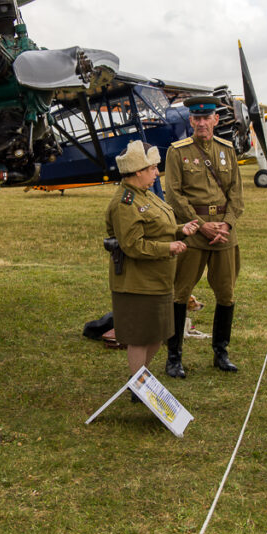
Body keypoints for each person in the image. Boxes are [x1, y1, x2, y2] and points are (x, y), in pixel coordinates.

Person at [104, 141, 199, 382]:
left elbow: (160, 227)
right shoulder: (125, 203)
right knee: (140, 337)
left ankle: (143, 380)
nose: (156, 173)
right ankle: (139, 385)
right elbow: (133, 246)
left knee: (157, 335)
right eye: (153, 168)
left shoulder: (146, 195)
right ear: (138, 170)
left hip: (158, 280)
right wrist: (169, 247)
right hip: (137, 283)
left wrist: (180, 230)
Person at [164, 95, 244, 376]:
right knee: (180, 293)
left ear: (215, 120)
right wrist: (200, 224)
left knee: (226, 293)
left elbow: (236, 192)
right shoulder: (177, 151)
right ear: (191, 120)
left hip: (223, 233)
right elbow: (173, 194)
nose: (201, 123)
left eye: (206, 118)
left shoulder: (227, 150)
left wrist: (227, 224)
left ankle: (221, 352)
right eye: (196, 118)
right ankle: (174, 357)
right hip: (193, 232)